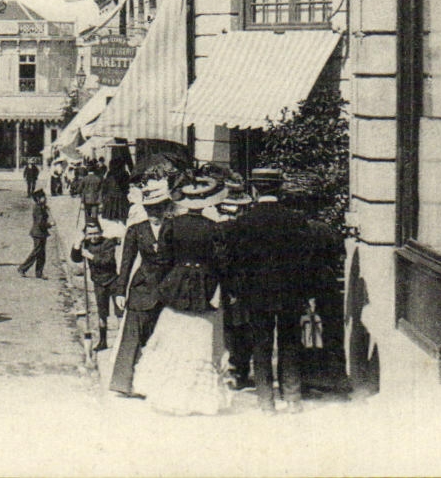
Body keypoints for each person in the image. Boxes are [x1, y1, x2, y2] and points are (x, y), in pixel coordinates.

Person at [133, 174, 229, 414]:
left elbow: (164, 259)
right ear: (205, 202)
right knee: (200, 338)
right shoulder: (213, 228)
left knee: (173, 335)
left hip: (176, 285)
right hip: (203, 287)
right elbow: (221, 262)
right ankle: (197, 396)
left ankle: (168, 390)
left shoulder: (173, 225)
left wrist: (165, 283)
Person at [227, 167, 317, 413]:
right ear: (279, 188)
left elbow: (235, 261)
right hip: (289, 293)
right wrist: (306, 293)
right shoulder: (295, 220)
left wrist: (238, 291)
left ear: (255, 189)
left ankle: (266, 401)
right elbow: (306, 260)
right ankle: (292, 397)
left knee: (261, 345)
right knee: (290, 343)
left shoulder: (244, 221)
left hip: (256, 295)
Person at [108, 178, 173, 397]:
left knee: (160, 339)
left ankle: (156, 385)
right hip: (141, 288)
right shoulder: (136, 230)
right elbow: (125, 262)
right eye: (150, 209)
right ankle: (124, 384)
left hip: (165, 290)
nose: (154, 213)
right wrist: (120, 290)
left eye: (158, 208)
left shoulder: (173, 228)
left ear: (165, 208)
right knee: (132, 337)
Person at [214, 185, 255, 390]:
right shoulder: (244, 230)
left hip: (223, 286)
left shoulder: (217, 230)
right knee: (242, 329)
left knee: (228, 328)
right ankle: (241, 370)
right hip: (242, 286)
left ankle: (230, 370)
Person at [71, 215, 120, 351]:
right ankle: (103, 341)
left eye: (96, 233)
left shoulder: (108, 243)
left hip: (113, 281)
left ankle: (121, 340)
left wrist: (90, 256)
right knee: (102, 313)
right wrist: (77, 244)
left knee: (119, 312)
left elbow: (107, 260)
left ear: (101, 232)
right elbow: (75, 259)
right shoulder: (86, 244)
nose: (93, 236)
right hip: (98, 283)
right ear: (86, 234)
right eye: (90, 234)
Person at [17, 189, 52, 278]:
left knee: (42, 254)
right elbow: (40, 223)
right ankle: (22, 268)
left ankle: (39, 273)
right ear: (38, 199)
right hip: (38, 233)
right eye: (43, 197)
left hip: (41, 233)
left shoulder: (42, 207)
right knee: (36, 252)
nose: (45, 199)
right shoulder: (38, 208)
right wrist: (49, 224)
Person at [79, 159, 105, 226]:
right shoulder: (98, 178)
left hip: (86, 199)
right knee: (94, 216)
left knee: (87, 215)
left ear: (88, 170)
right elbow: (101, 190)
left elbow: (80, 189)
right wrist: (100, 200)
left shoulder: (85, 179)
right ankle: (95, 228)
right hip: (95, 200)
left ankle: (87, 228)